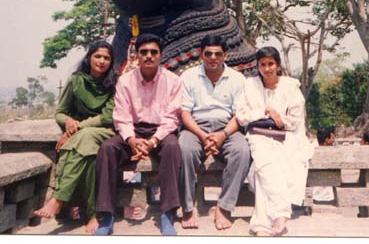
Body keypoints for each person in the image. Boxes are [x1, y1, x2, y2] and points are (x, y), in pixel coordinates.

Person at [94, 33, 183, 236]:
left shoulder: (173, 81)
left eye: (153, 52)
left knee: (172, 147)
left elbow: (171, 119)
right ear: (137, 55)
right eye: (144, 52)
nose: (149, 56)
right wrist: (132, 140)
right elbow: (121, 116)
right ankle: (106, 215)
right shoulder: (125, 81)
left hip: (160, 132)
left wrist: (152, 142)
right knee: (107, 148)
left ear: (161, 55)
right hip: (132, 131)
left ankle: (167, 213)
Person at [33, 40, 117, 234]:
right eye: (98, 56)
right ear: (89, 58)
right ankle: (93, 214)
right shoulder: (76, 80)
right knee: (88, 157)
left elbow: (106, 117)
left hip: (104, 131)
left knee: (85, 138)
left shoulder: (114, 83)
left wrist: (78, 126)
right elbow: (60, 112)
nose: (102, 61)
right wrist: (68, 122)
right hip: (81, 136)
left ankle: (58, 199)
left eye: (106, 57)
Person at [236, 46, 313, 236]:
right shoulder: (250, 85)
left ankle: (261, 224)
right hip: (258, 134)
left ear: (278, 65)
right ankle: (281, 213)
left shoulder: (290, 86)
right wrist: (266, 111)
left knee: (265, 170)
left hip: (286, 136)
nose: (267, 68)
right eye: (262, 64)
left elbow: (295, 120)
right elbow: (242, 116)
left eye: (271, 64)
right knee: (264, 162)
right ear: (258, 66)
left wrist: (280, 120)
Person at [179, 34, 250, 231]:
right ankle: (187, 207)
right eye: (208, 53)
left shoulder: (237, 78)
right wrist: (203, 136)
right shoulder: (188, 76)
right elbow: (184, 112)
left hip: (227, 127)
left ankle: (224, 208)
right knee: (183, 149)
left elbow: (239, 115)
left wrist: (222, 135)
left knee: (242, 151)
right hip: (195, 127)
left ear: (225, 56)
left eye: (217, 54)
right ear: (201, 55)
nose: (213, 58)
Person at [312, 127, 335, 202]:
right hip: (323, 194)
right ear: (327, 140)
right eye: (332, 138)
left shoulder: (311, 146)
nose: (333, 141)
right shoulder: (328, 153)